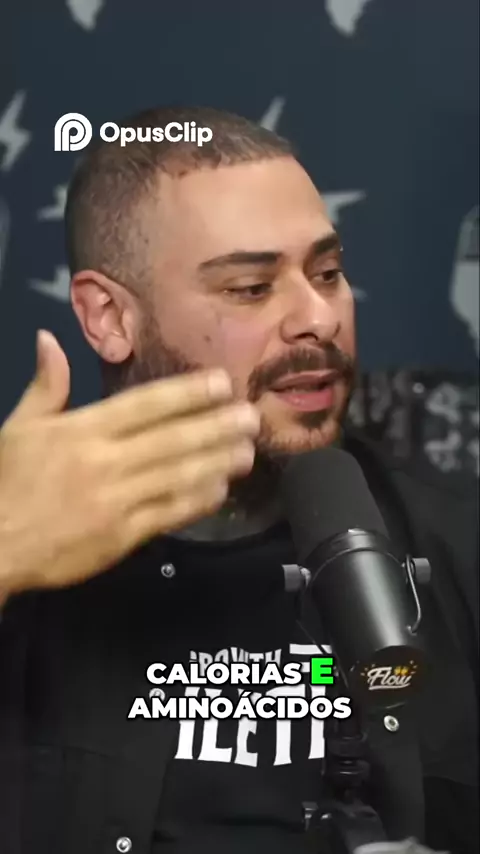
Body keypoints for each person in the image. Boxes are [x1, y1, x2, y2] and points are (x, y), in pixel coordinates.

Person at [0, 106, 477, 854]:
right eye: (252, 287)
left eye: (328, 273)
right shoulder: (18, 558)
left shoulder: (458, 552)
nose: (319, 318)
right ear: (110, 317)